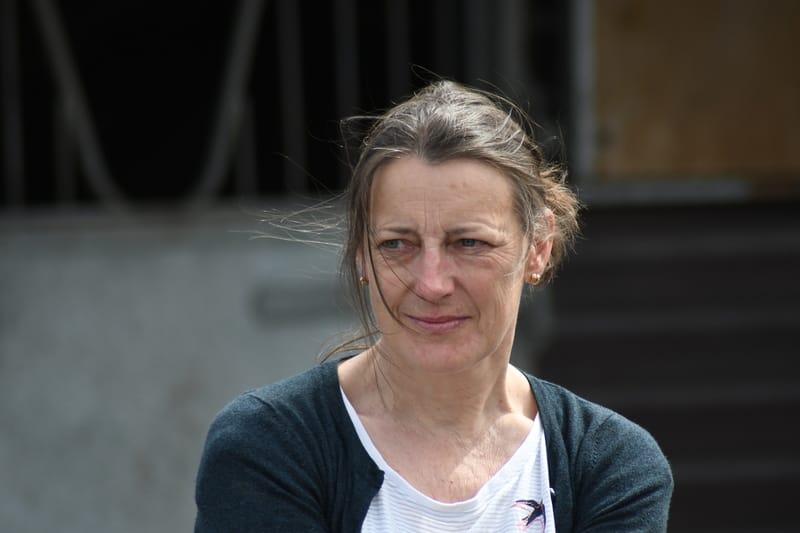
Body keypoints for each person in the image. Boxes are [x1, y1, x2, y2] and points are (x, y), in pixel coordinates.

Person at [194, 80, 673, 532]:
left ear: (539, 248)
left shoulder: (609, 463)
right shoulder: (269, 444)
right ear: (361, 252)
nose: (431, 283)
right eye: (396, 245)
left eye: (469, 243)